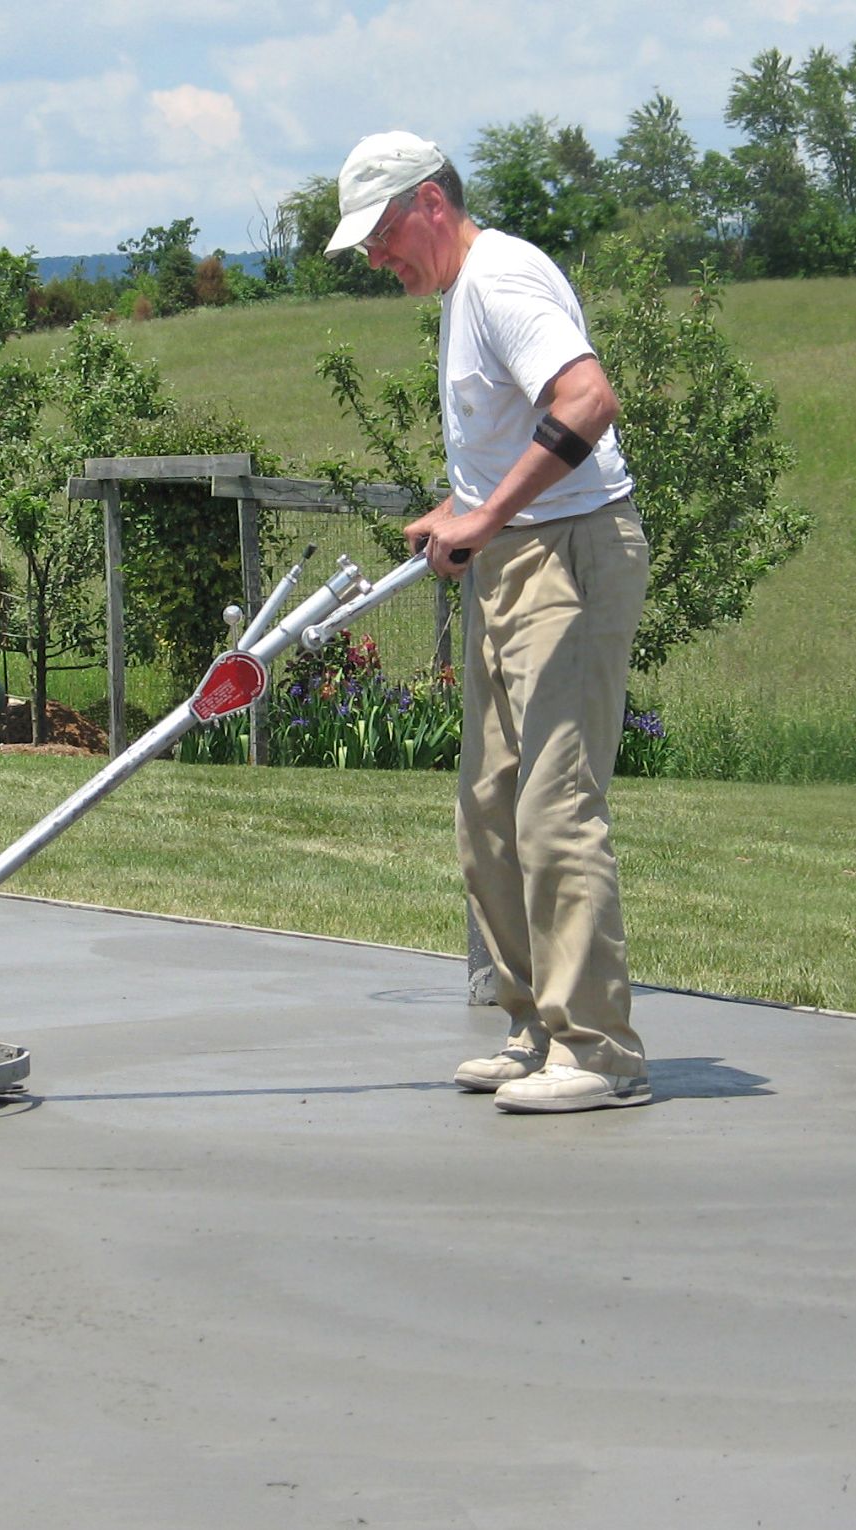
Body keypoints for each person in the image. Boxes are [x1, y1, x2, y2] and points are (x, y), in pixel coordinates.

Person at [326, 131, 652, 1113]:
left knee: (554, 808)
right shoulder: (463, 295)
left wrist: (488, 516)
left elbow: (587, 400)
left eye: (382, 234)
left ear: (430, 202)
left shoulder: (503, 279)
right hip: (516, 559)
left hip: (572, 556)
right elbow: (514, 437)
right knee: (487, 812)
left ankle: (600, 1053)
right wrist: (462, 509)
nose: (377, 258)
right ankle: (536, 1027)